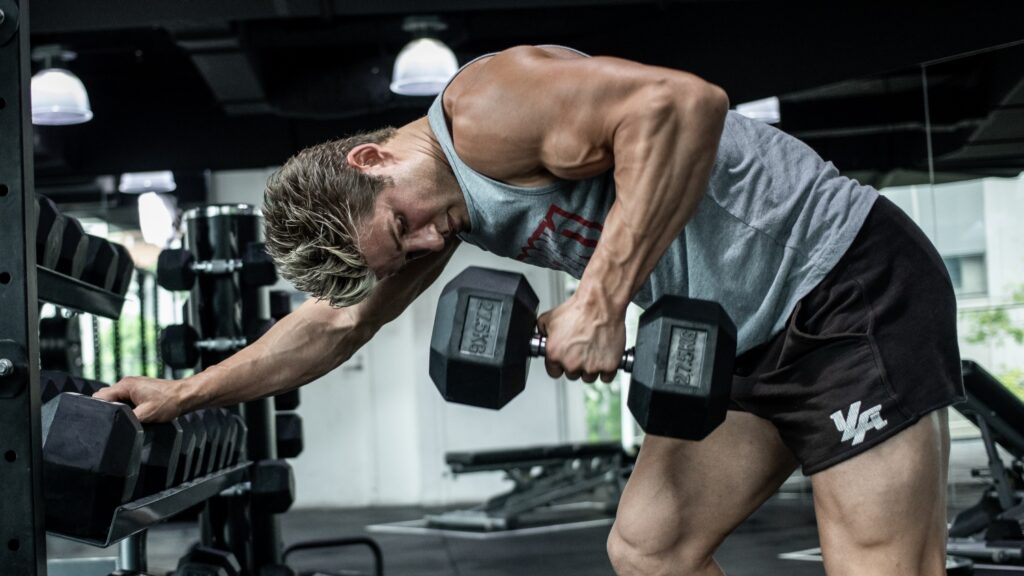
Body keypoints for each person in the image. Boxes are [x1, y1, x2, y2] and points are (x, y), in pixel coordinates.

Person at [95, 45, 963, 575]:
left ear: (370, 159)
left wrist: (601, 296)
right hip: (741, 341)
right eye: (405, 252)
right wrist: (184, 393)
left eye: (404, 228)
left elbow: (683, 105)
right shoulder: (433, 213)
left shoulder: (484, 110)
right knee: (649, 548)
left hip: (843, 284)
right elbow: (334, 323)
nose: (428, 248)